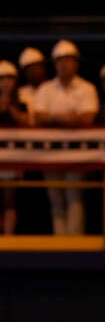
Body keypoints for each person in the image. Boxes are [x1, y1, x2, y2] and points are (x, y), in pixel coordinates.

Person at [32, 40, 99, 235]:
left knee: (74, 195)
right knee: (55, 197)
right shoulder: (45, 89)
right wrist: (64, 118)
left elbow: (87, 118)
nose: (64, 64)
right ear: (54, 64)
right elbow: (39, 117)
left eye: (68, 60)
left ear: (76, 63)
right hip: (49, 153)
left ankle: (75, 241)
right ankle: (60, 241)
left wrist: (54, 119)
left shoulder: (87, 88)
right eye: (60, 60)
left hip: (77, 152)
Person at [0, 60, 23, 233]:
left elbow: (27, 123)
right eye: (2, 79)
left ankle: (8, 237)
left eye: (10, 79)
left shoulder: (21, 102)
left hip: (12, 157)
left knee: (10, 200)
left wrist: (10, 108)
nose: (6, 82)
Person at [16, 46, 47, 123]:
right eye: (31, 69)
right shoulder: (20, 94)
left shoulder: (53, 89)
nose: (35, 72)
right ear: (25, 72)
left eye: (37, 67)